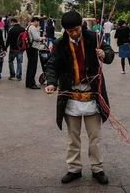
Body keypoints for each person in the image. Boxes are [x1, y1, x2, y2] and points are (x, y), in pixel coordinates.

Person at [45, 11, 114, 186]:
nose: (74, 34)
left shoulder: (92, 37)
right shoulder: (60, 44)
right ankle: (74, 169)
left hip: (92, 93)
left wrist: (105, 54)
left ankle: (97, 168)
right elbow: (52, 65)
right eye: (70, 31)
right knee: (73, 136)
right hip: (71, 94)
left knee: (94, 136)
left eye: (76, 30)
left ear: (81, 26)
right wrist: (52, 82)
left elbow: (108, 50)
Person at [25, 17, 46, 89]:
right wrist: (42, 38)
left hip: (30, 48)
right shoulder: (32, 27)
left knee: (30, 66)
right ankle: (31, 83)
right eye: (38, 22)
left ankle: (28, 82)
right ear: (35, 21)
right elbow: (36, 38)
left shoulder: (28, 27)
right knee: (33, 67)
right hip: (33, 48)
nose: (38, 24)